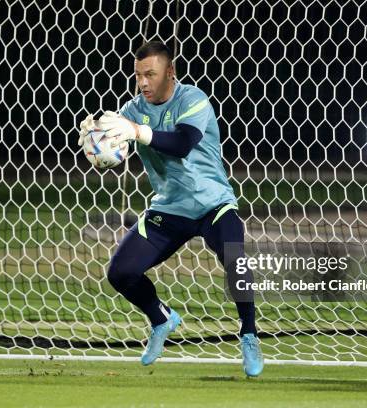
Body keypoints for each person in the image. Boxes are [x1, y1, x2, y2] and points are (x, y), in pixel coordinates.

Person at [78, 40, 263, 376]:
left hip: (213, 204)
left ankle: (249, 334)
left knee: (235, 257)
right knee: (120, 272)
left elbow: (182, 143)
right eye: (138, 76)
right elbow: (115, 144)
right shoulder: (131, 110)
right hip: (169, 209)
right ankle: (161, 318)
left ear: (170, 72)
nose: (144, 82)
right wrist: (98, 142)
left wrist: (137, 131)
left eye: (151, 74)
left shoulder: (193, 99)